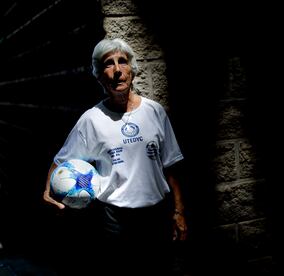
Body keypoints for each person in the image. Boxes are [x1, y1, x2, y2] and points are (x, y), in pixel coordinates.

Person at [42, 38, 187, 275]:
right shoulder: (92, 119)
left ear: (133, 70)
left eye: (123, 62)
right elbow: (62, 161)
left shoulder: (154, 111)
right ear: (100, 76)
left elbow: (172, 165)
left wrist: (179, 211)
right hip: (115, 221)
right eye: (109, 64)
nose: (117, 70)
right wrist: (48, 191)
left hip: (157, 215)